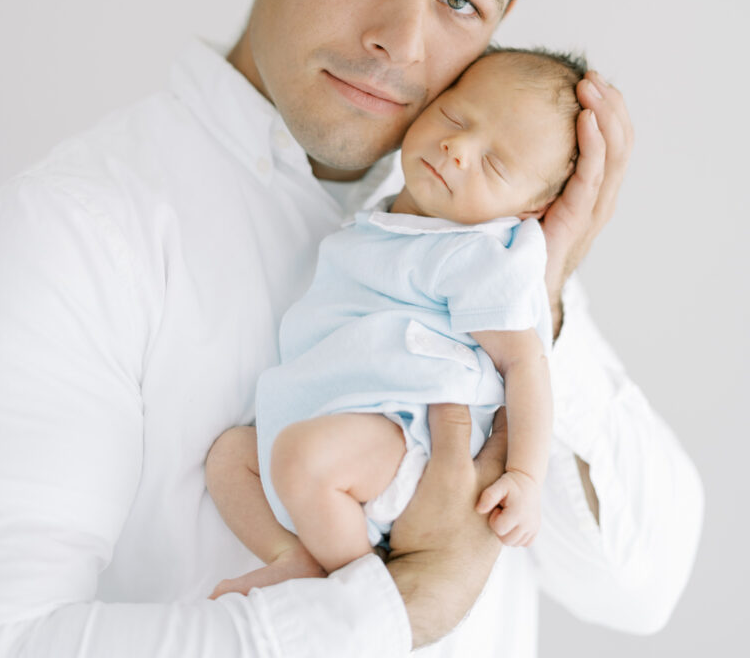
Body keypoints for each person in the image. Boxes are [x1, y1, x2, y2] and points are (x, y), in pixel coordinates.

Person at [0, 0, 703, 657]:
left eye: (459, 2)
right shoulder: (77, 232)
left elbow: (638, 589)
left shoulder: (477, 231)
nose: (400, 42)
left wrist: (551, 295)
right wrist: (400, 609)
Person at [206, 46, 583, 597]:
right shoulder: (383, 219)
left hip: (407, 438)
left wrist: (525, 476)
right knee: (231, 459)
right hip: (338, 421)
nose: (458, 149)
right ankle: (296, 556)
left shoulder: (476, 253)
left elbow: (524, 362)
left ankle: (360, 595)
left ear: (526, 211)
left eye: (495, 164)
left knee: (302, 461)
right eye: (456, 117)